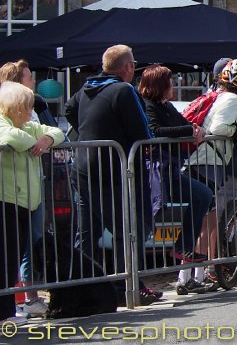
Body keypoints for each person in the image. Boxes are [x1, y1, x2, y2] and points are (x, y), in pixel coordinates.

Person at [64, 45, 162, 305]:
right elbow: (143, 132)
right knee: (127, 230)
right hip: (112, 169)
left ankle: (77, 288)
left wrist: (90, 133)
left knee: (87, 232)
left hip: (84, 167)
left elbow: (68, 110)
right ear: (128, 67)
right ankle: (126, 287)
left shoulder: (86, 88)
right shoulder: (124, 90)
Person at [137, 65, 215, 295]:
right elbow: (155, 130)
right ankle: (134, 280)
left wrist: (194, 129)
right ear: (160, 85)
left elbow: (183, 123)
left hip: (171, 169)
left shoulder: (166, 105)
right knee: (145, 224)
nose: (173, 86)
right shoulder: (148, 105)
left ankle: (183, 248)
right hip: (155, 172)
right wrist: (189, 131)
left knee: (203, 195)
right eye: (170, 82)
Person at [186, 59, 237, 289]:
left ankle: (189, 277)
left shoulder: (221, 96)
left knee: (203, 220)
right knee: (208, 221)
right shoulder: (232, 99)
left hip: (203, 160)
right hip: (210, 161)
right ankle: (196, 275)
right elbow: (218, 129)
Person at [0, 82, 63, 325]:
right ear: (15, 108)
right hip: (6, 200)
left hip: (25, 202)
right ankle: (4, 313)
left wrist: (46, 139)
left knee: (12, 259)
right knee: (5, 261)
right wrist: (34, 143)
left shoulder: (26, 124)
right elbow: (9, 136)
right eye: (26, 108)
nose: (30, 113)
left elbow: (58, 132)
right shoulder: (7, 124)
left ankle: (6, 312)